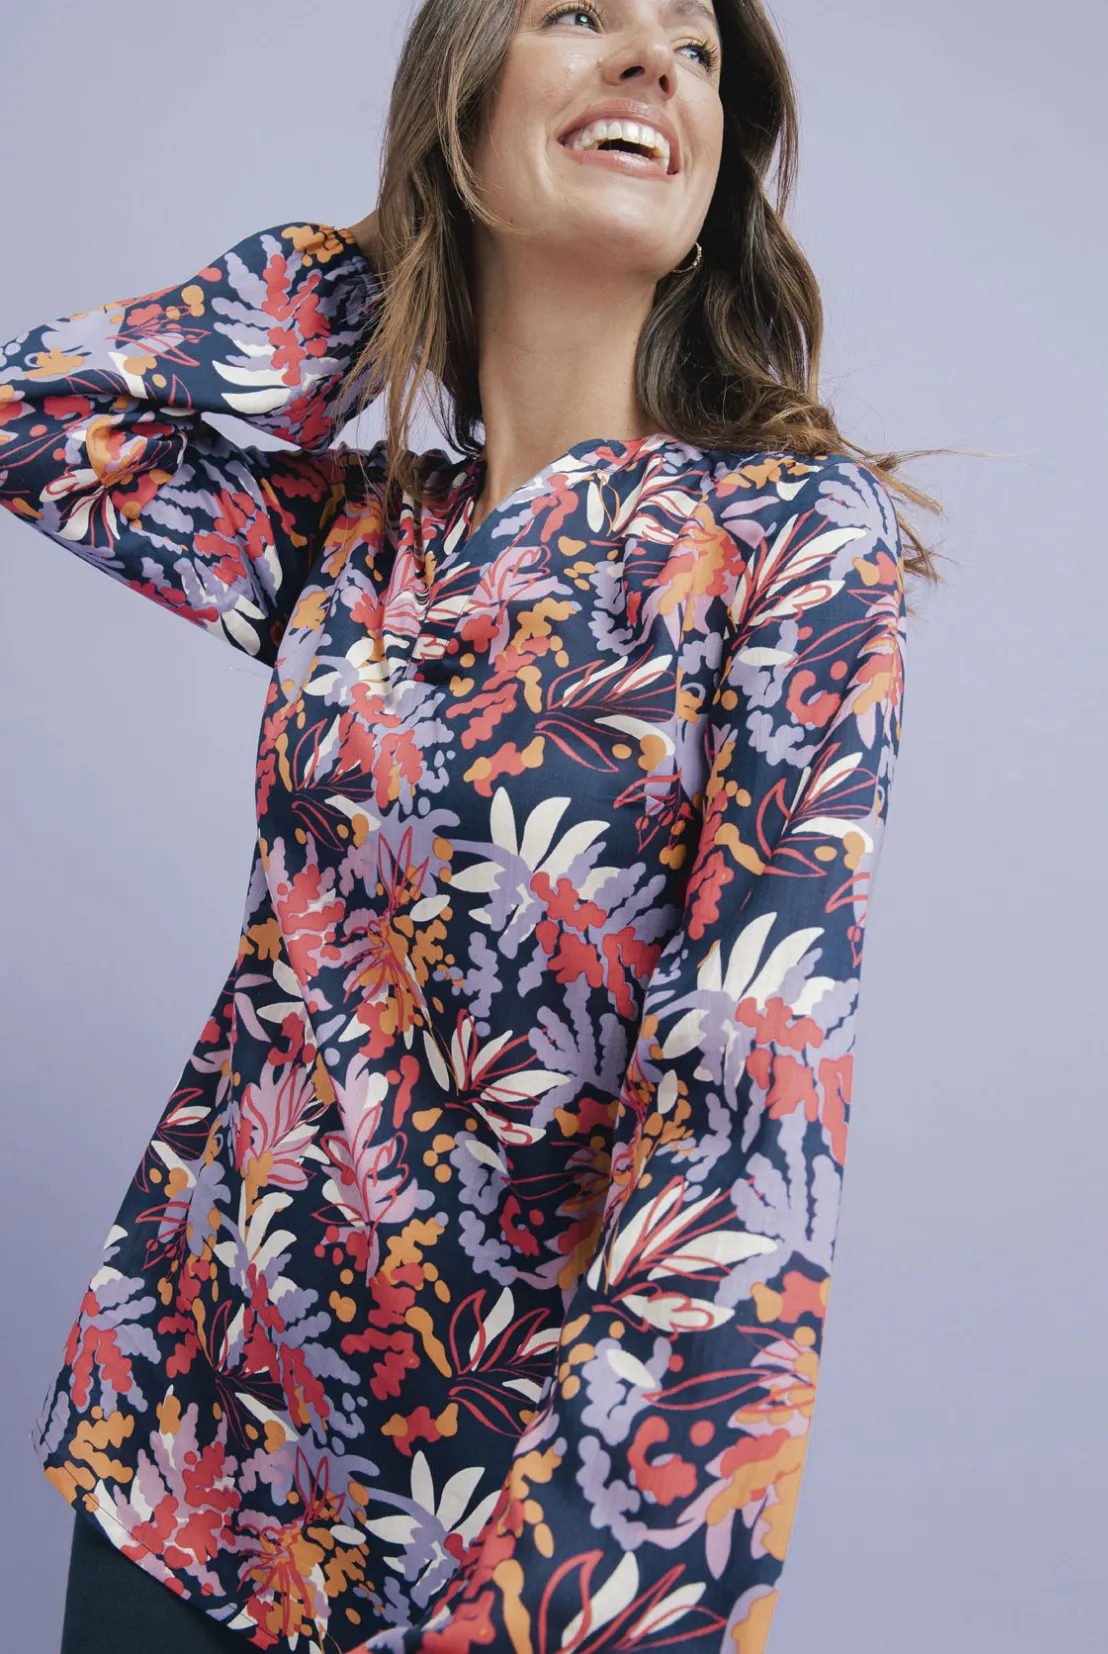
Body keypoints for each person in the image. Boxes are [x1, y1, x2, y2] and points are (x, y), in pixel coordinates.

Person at [2, 1, 939, 1649]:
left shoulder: (785, 542)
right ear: (462, 99)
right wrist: (400, 249)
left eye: (695, 50)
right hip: (184, 1450)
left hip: (494, 1547)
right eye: (582, 13)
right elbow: (44, 418)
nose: (655, 63)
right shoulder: (359, 540)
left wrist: (588, 1589)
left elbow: (750, 1109)